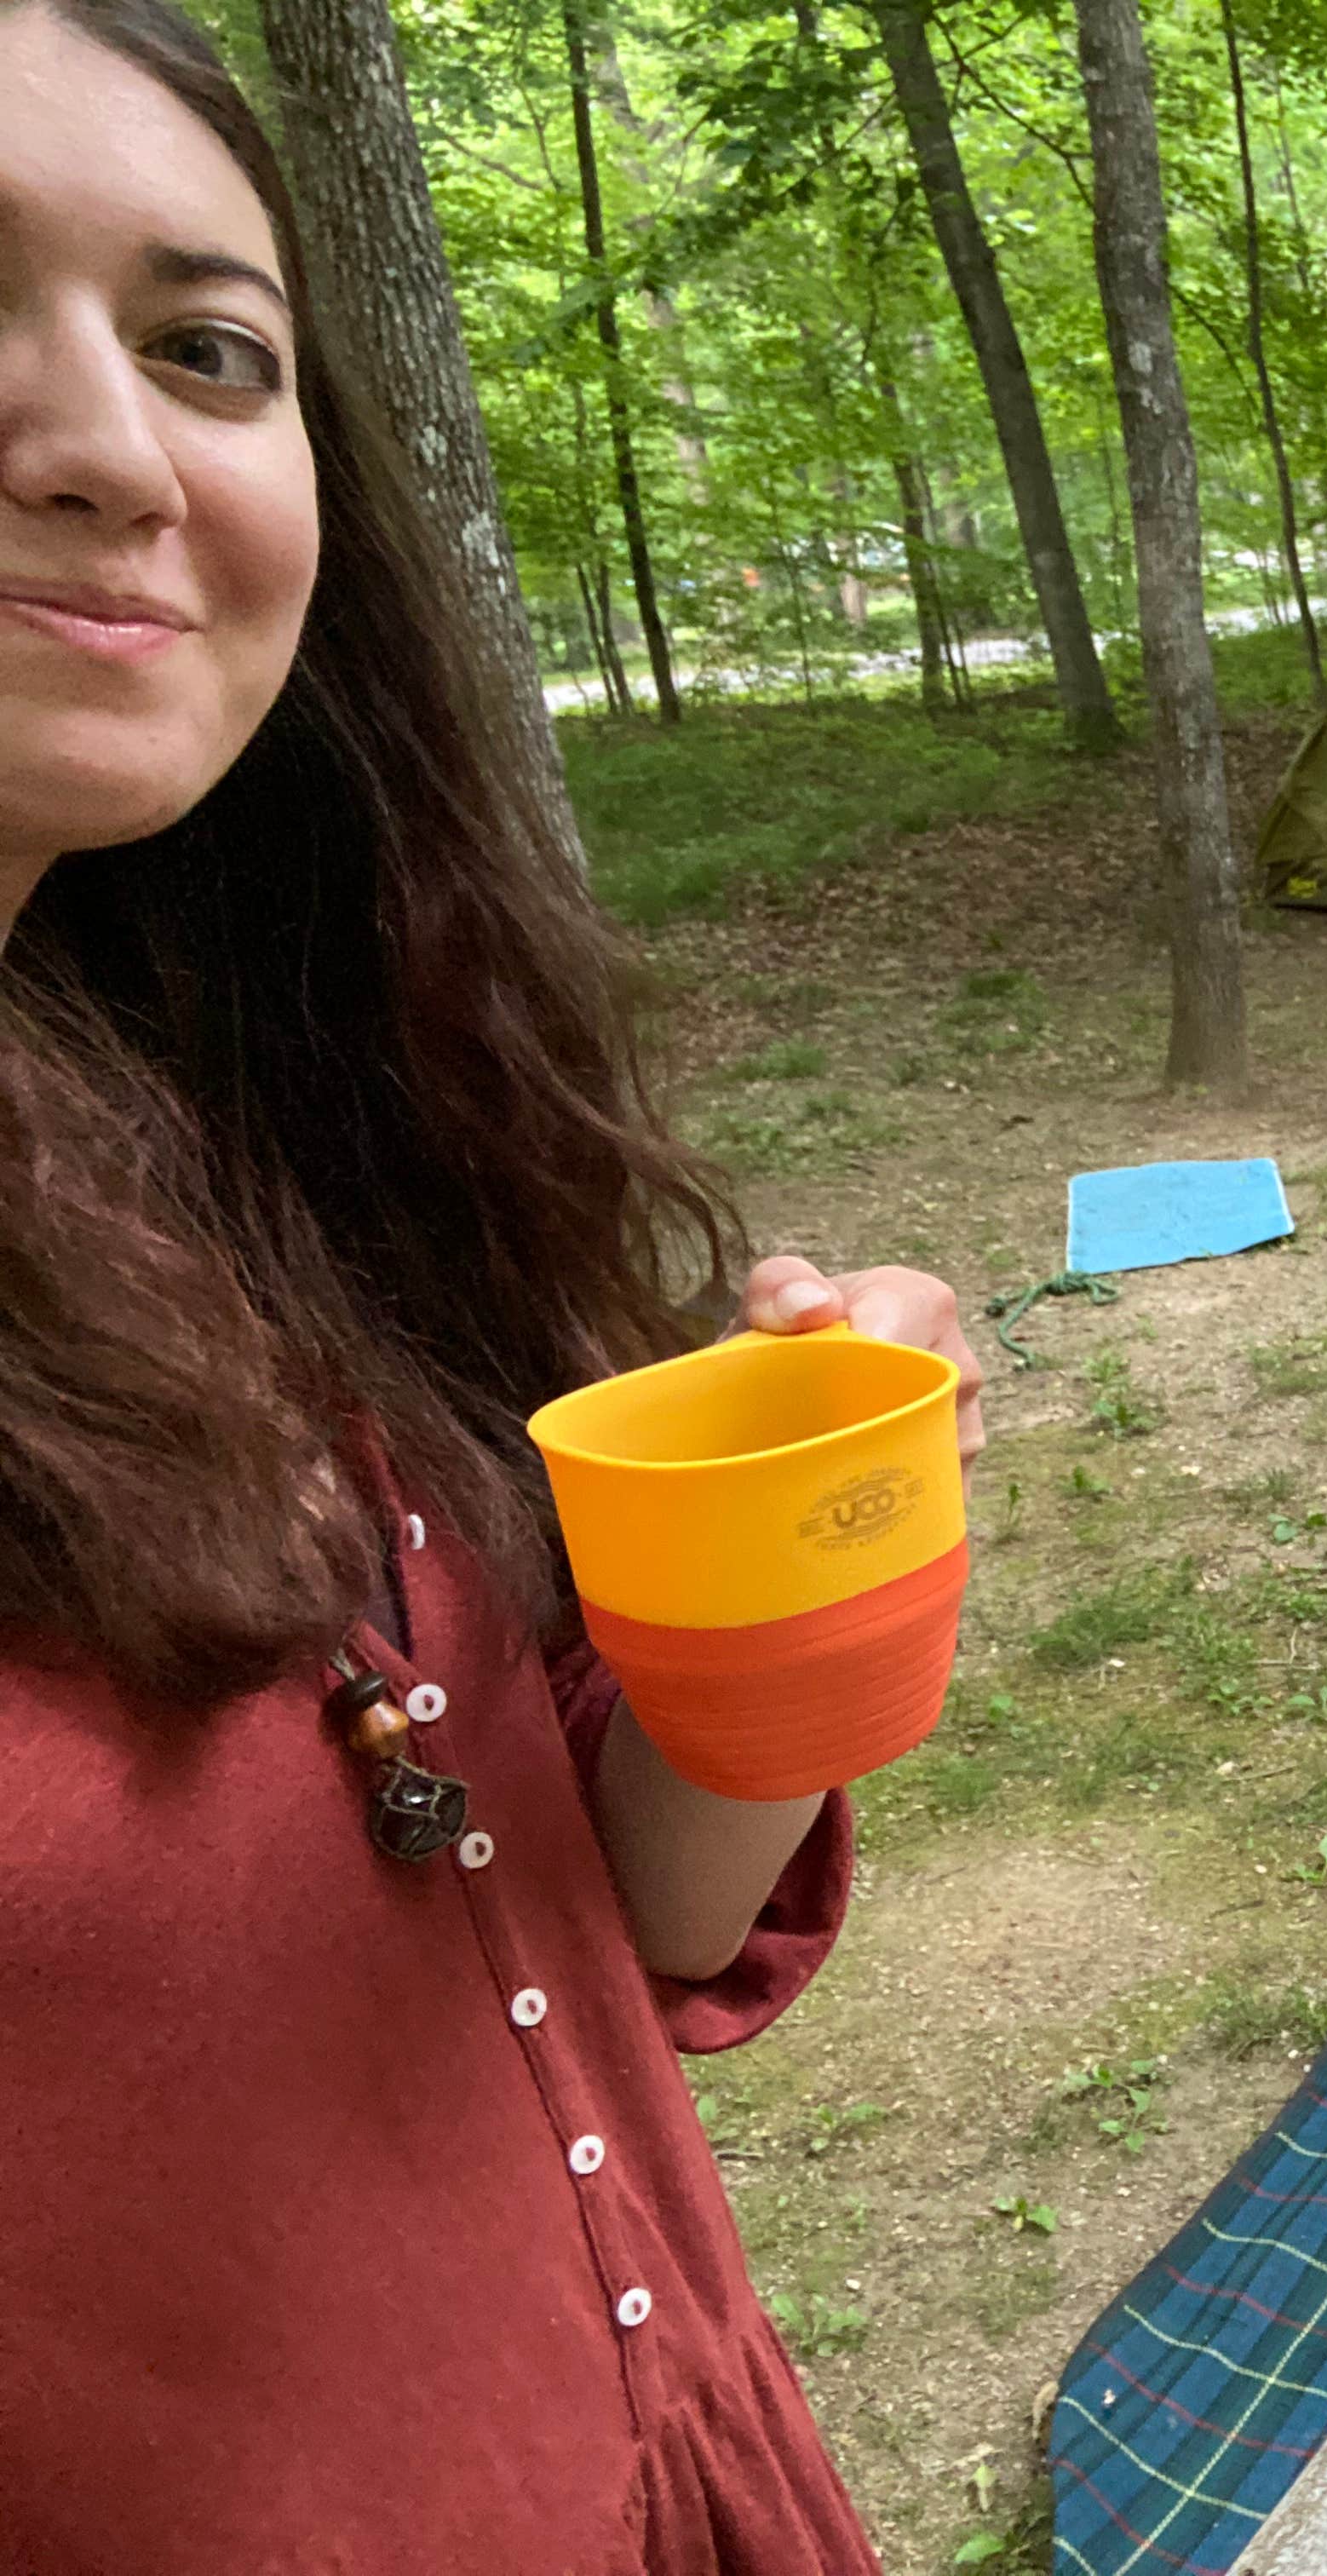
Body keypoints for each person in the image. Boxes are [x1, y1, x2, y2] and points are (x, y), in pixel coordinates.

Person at [0, 3, 979, 2564]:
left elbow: (611, 1927)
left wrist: (780, 1574)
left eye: (206, 347)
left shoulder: (247, 1122)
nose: (111, 448)